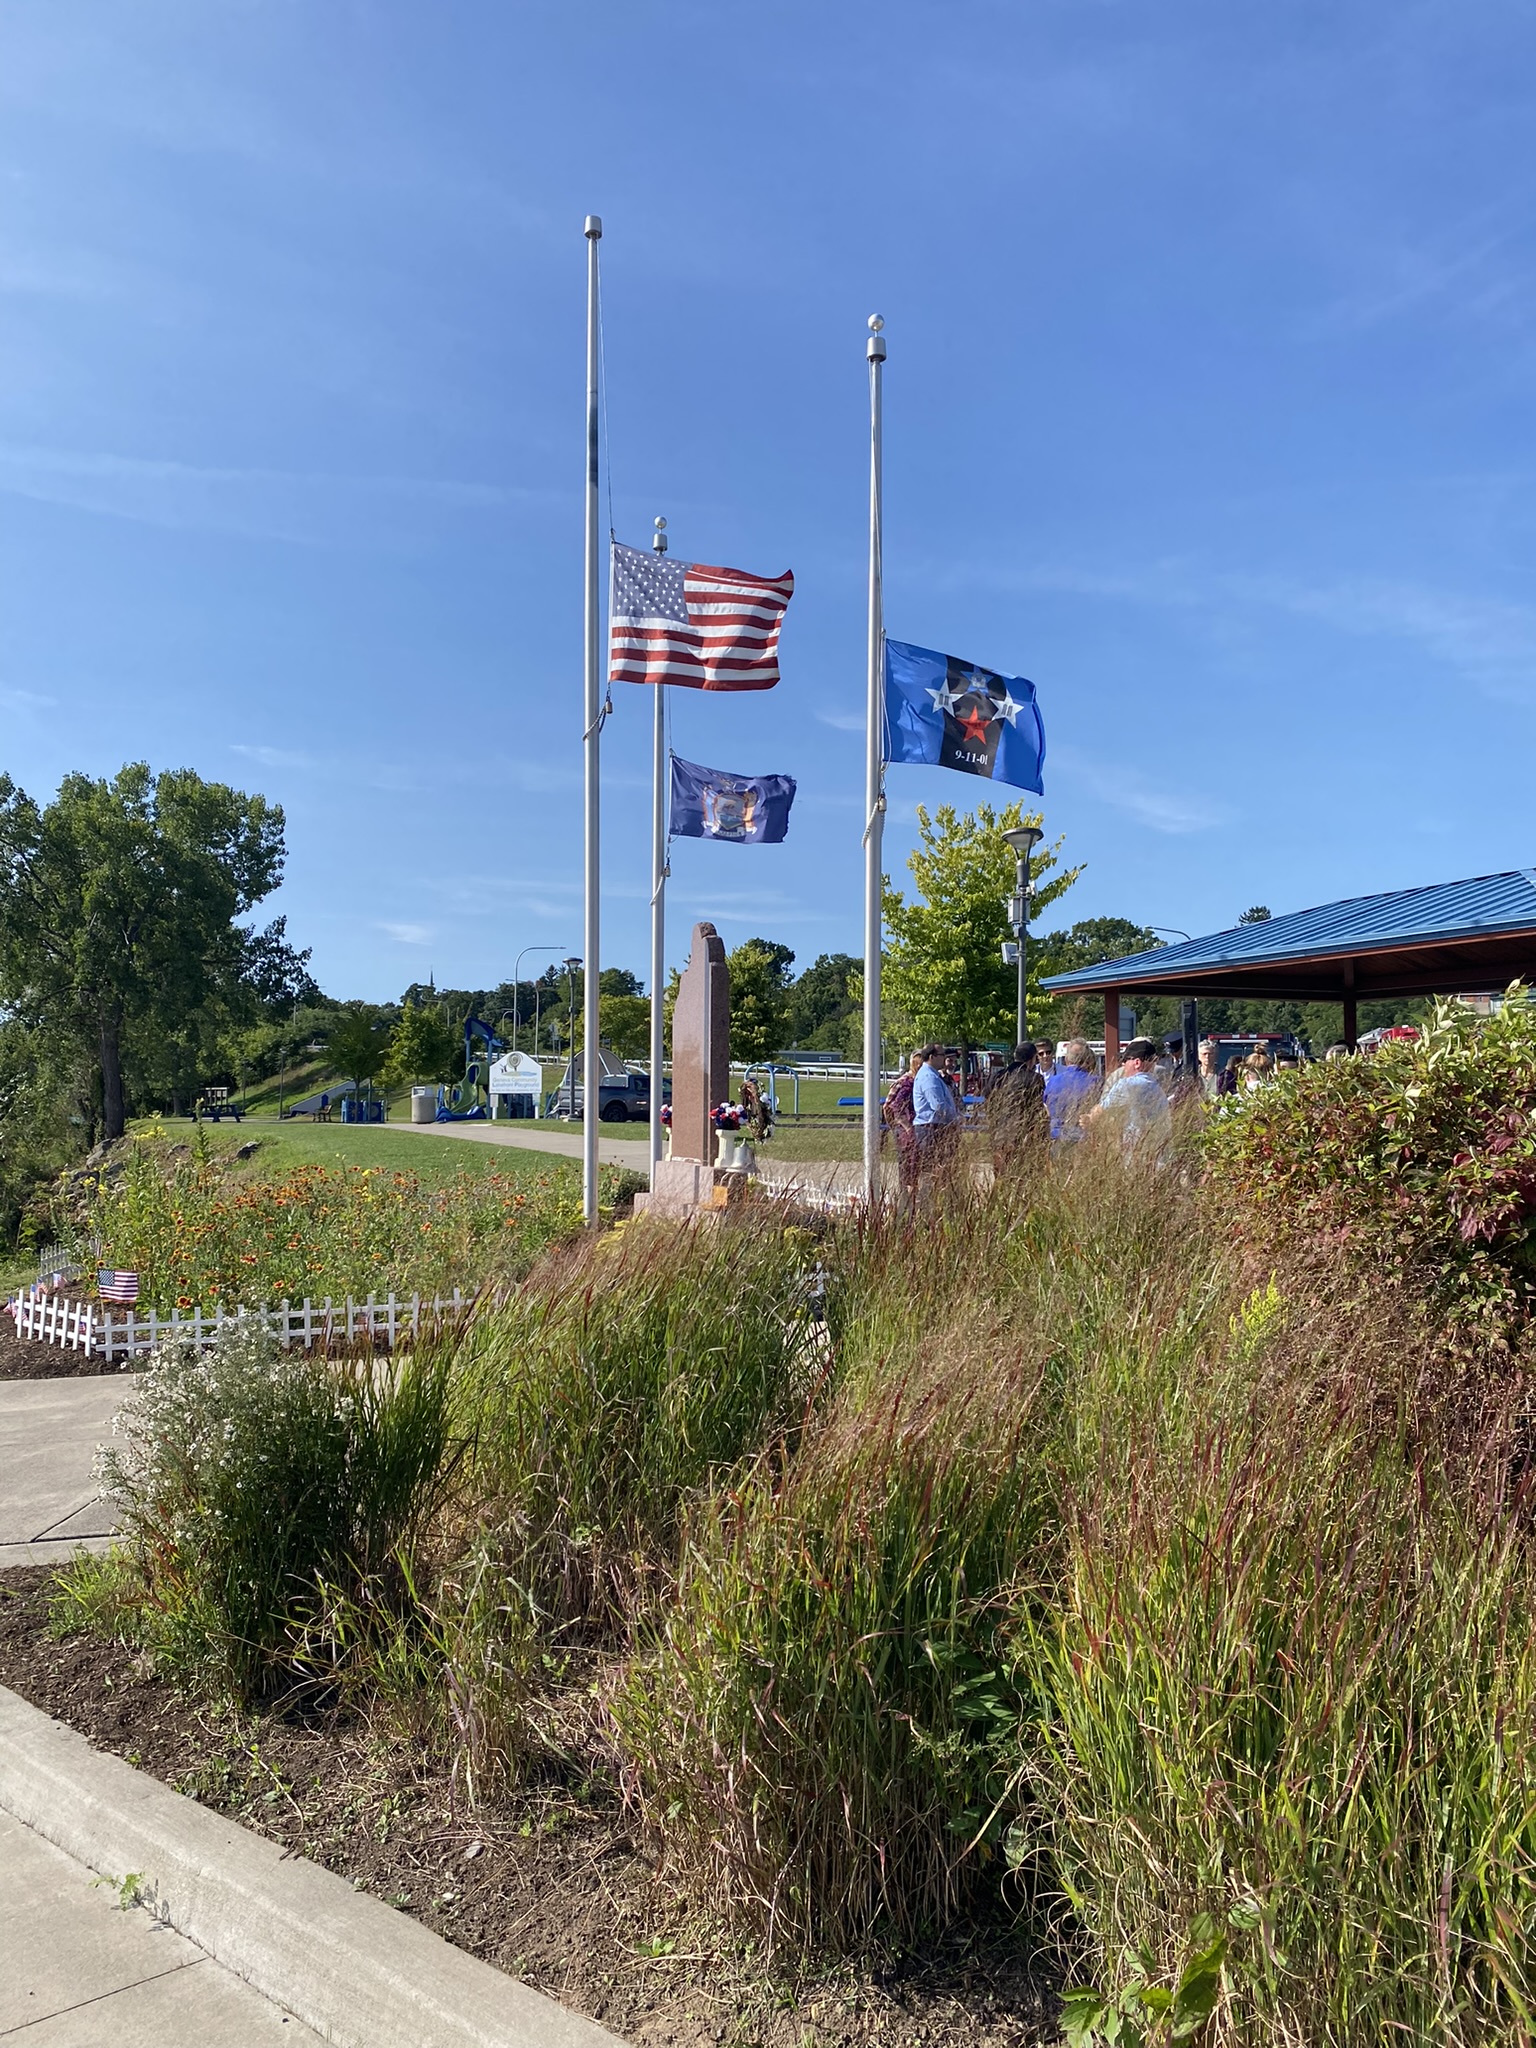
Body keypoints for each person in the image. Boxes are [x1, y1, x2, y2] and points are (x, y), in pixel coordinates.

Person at [1090, 1037, 1173, 1157]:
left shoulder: (1127, 1085)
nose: (1123, 1064)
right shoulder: (1157, 1088)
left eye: (1125, 1060)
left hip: (1137, 1156)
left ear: (1137, 1063)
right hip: (1159, 1155)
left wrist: (1089, 1118)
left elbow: (1100, 1112)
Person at [989, 1042, 1048, 1176]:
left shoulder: (998, 1076)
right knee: (1021, 1177)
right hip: (1023, 1136)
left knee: (1001, 1176)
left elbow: (989, 1100)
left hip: (999, 1134)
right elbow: (1036, 1108)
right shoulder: (1035, 1079)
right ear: (1032, 1059)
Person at [912, 1043, 961, 1186]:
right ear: (932, 1057)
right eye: (942, 1055)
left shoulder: (933, 1075)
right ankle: (931, 1197)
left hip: (934, 1127)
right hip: (931, 1128)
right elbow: (938, 1106)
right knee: (935, 1170)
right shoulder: (929, 1077)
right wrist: (956, 1118)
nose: (944, 1058)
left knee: (941, 1171)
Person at [883, 1051, 923, 1199]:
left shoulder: (917, 1081)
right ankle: (908, 1196)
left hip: (911, 1128)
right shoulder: (907, 1083)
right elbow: (894, 1107)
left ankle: (911, 1195)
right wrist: (906, 1127)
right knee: (910, 1164)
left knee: (914, 1164)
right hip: (907, 1130)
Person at [1045, 1038, 1098, 1141]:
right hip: (1083, 1139)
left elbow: (1046, 1108)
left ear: (1066, 1060)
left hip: (1056, 1137)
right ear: (1087, 1060)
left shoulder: (1052, 1081)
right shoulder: (1096, 1082)